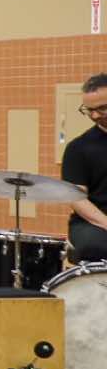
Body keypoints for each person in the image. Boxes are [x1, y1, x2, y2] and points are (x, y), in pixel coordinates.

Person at [62, 73, 107, 262]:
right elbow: (77, 199)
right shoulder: (78, 148)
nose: (95, 116)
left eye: (102, 108)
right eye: (89, 110)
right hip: (94, 223)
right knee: (94, 245)